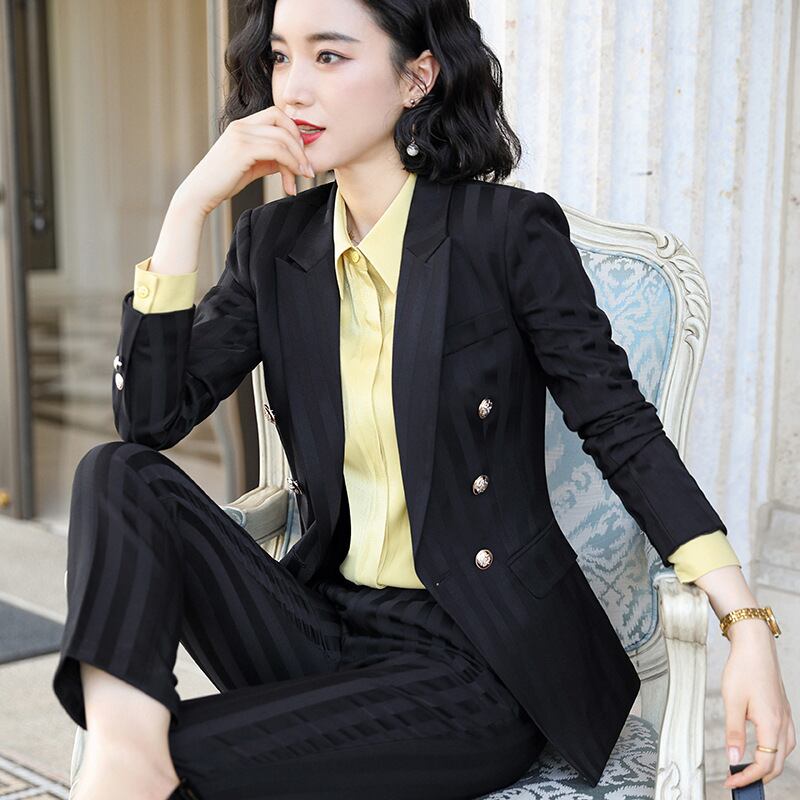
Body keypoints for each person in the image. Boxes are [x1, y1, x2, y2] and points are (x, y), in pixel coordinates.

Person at [52, 0, 795, 798]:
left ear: (418, 76)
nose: (293, 88)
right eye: (280, 57)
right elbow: (150, 420)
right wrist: (188, 205)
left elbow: (619, 425)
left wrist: (744, 622)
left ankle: (128, 765)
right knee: (116, 473)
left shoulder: (505, 234)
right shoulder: (275, 244)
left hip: (475, 658)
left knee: (184, 764)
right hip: (321, 624)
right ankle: (125, 745)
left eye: (329, 56)